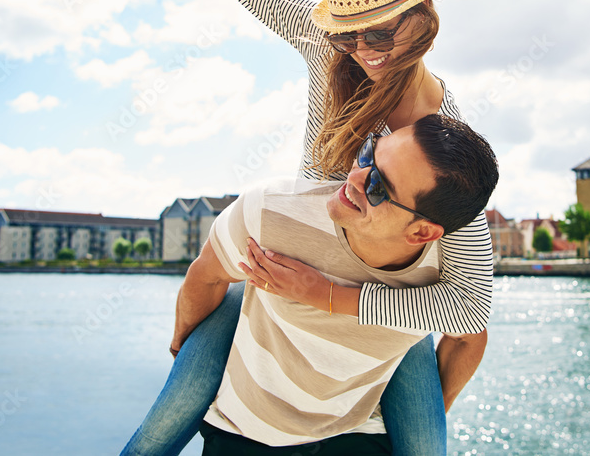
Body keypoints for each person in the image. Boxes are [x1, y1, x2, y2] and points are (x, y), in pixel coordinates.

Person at [113, 0, 497, 456]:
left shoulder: (440, 138)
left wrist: (340, 306)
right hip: (280, 265)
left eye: (377, 32)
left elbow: (467, 305)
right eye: (347, 32)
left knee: (426, 446)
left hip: (372, 296)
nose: (361, 50)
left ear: (423, 16)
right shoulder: (328, 52)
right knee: (162, 426)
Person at [182, 115, 498, 454]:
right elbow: (206, 275)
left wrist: (432, 415)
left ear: (421, 232)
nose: (355, 178)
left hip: (356, 437)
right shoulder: (271, 211)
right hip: (246, 433)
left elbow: (469, 337)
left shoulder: (440, 281)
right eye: (367, 153)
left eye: (378, 187)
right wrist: (182, 352)